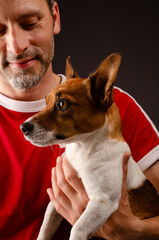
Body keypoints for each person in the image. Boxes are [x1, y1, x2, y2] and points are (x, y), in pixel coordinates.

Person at [0, 0, 158, 239]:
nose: (17, 46)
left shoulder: (115, 108)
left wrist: (138, 231)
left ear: (55, 16)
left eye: (30, 23)